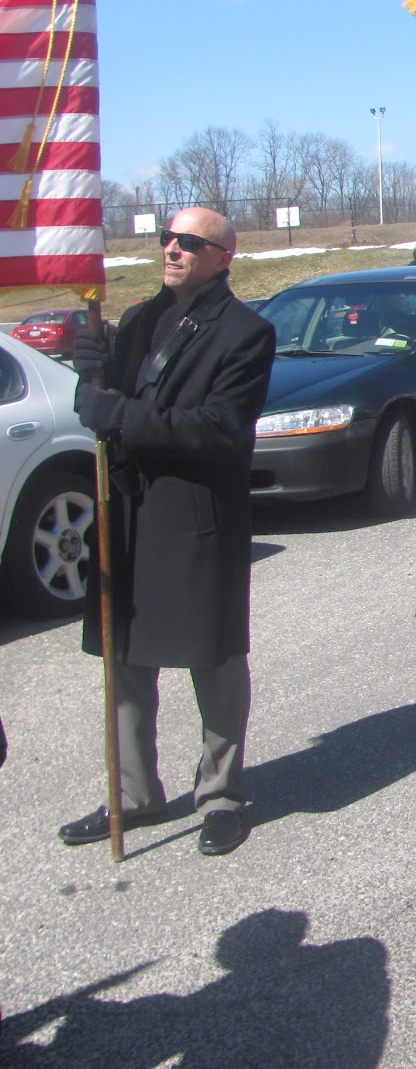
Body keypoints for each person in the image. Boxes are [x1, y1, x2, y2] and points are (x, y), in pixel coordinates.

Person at [58, 207, 276, 858]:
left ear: (222, 256)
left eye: (189, 242)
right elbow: (109, 405)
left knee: (212, 656)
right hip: (130, 511)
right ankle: (135, 795)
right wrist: (91, 372)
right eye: (167, 239)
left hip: (196, 513)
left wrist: (118, 411)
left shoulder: (246, 333)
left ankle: (221, 794)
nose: (172, 249)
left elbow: (218, 428)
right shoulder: (137, 321)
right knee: (125, 653)